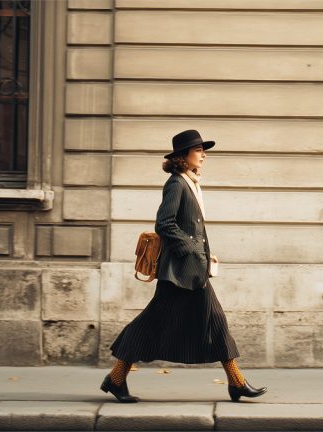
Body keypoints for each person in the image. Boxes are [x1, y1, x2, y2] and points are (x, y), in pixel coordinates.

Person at [100, 129, 267, 403]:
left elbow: (194, 228)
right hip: (179, 272)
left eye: (203, 150)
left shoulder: (191, 183)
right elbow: (165, 223)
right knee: (152, 325)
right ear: (184, 155)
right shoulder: (177, 183)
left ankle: (236, 382)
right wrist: (191, 251)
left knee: (215, 322)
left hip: (192, 270)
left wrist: (205, 254)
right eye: (199, 150)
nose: (203, 155)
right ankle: (116, 379)